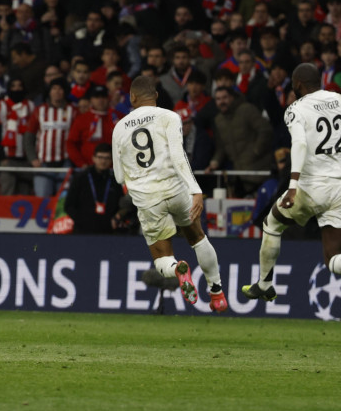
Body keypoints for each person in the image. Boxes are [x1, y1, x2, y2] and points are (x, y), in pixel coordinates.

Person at [111, 76, 228, 312]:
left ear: (132, 98)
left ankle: (177, 269)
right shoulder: (170, 117)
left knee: (161, 257)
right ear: (155, 96)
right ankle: (217, 294)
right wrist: (195, 190)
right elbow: (178, 156)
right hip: (176, 189)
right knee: (197, 237)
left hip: (148, 198)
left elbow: (119, 177)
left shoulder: (119, 128)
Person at [243, 64, 341, 301]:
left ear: (297, 84)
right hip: (339, 187)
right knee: (332, 259)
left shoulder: (295, 108)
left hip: (311, 187)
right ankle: (264, 284)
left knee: (272, 224)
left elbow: (299, 144)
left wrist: (292, 186)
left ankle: (265, 283)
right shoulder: (338, 99)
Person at [64, 144, 126, 234]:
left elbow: (119, 204)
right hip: (83, 232)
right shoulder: (81, 178)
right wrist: (83, 221)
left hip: (108, 232)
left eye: (107, 158)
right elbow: (69, 206)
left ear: (111, 160)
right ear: (93, 158)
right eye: (100, 157)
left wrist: (115, 219)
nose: (103, 161)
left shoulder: (115, 180)